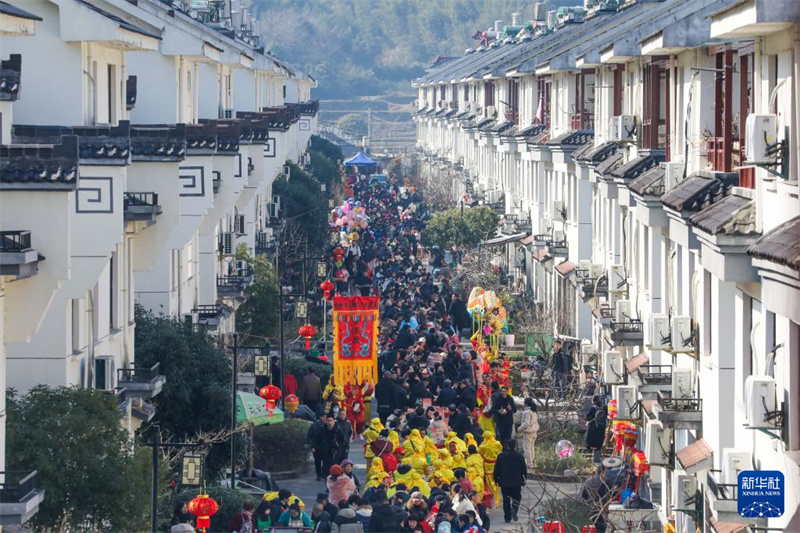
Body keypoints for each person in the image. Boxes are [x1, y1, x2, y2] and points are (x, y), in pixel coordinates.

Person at [493, 439, 527, 523]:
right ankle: (514, 508)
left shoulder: (501, 456)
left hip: (504, 482)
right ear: (515, 446)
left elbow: (496, 468)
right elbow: (524, 469)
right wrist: (524, 478)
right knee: (517, 497)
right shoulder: (519, 456)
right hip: (516, 481)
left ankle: (507, 517)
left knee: (506, 499)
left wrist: (496, 478)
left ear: (507, 445)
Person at [581, 465, 611, 533]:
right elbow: (612, 494)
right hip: (602, 509)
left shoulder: (588, 481)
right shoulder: (605, 481)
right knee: (601, 529)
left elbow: (583, 495)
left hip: (591, 509)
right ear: (604, 472)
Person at [517, 398, 539, 469]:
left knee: (527, 448)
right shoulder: (534, 411)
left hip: (528, 432)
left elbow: (526, 423)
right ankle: (533, 463)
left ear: (526, 404)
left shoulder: (527, 412)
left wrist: (519, 429)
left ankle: (529, 464)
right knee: (532, 448)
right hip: (534, 431)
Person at [585, 395, 608, 463]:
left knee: (591, 443)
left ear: (593, 400)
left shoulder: (593, 408)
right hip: (601, 429)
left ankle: (595, 459)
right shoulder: (603, 407)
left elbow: (587, 417)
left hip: (593, 429)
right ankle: (597, 457)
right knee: (598, 444)